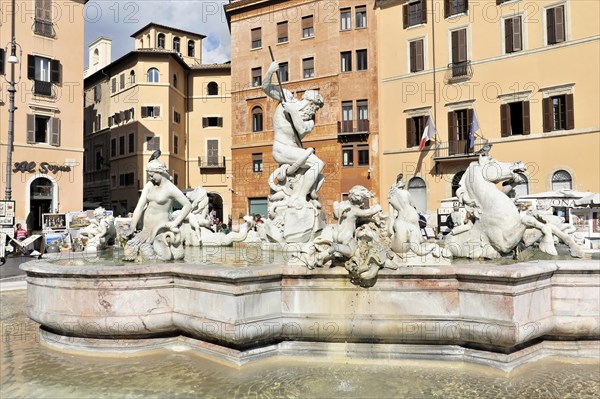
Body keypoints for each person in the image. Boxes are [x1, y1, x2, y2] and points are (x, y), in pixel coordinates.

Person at [262, 61, 325, 206]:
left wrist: (292, 112)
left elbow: (301, 130)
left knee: (320, 176)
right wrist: (270, 71)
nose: (314, 112)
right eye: (315, 108)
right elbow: (265, 87)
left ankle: (309, 194)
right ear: (309, 102)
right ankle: (299, 198)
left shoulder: (309, 122)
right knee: (318, 163)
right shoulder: (286, 97)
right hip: (282, 149)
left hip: (294, 151)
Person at [124, 158, 192, 261]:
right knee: (128, 251)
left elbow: (187, 205)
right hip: (146, 229)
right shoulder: (150, 185)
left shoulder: (170, 188)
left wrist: (175, 222)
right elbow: (140, 207)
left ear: (160, 172)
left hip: (160, 230)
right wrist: (132, 228)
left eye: (152, 175)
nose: (150, 178)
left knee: (159, 256)